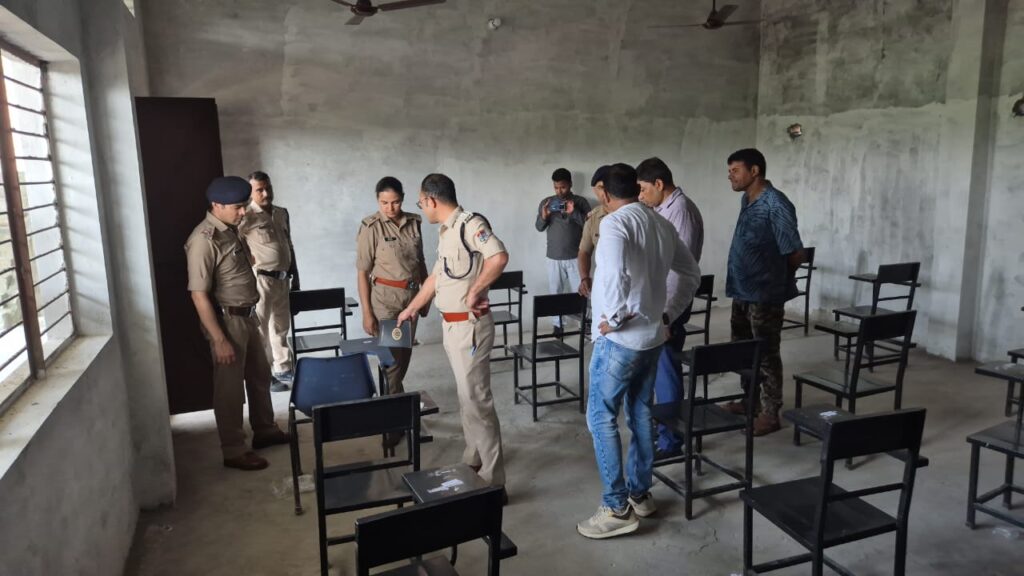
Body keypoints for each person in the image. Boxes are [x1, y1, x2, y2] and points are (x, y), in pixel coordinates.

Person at [577, 164, 701, 539]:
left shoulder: (615, 224)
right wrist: (668, 313)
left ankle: (616, 508)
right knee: (641, 412)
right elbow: (691, 274)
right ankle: (640, 493)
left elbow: (614, 273)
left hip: (620, 341)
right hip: (652, 337)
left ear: (604, 192)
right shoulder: (660, 222)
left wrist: (614, 319)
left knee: (601, 417)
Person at [398, 173, 508, 491]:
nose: (422, 207)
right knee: (465, 396)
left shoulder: (470, 224)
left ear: (431, 200)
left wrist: (476, 290)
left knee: (477, 400)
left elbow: (498, 256)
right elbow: (436, 277)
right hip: (452, 326)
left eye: (421, 202)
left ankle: (494, 481)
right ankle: (474, 457)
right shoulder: (447, 231)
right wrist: (412, 308)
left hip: (469, 328)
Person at [185, 176, 290, 471]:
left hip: (248, 316)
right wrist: (219, 339)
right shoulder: (204, 240)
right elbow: (198, 295)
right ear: (216, 205)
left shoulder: (231, 231)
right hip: (227, 321)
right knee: (230, 389)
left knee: (260, 375)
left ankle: (265, 429)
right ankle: (233, 449)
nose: (243, 212)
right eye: (237, 207)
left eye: (244, 206)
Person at [722, 148, 805, 436]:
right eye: (729, 171)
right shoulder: (747, 199)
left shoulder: (775, 203)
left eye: (735, 170)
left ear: (754, 171)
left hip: (765, 295)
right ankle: (751, 400)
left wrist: (774, 280)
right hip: (741, 292)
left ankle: (770, 413)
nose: (730, 176)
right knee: (743, 351)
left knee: (766, 353)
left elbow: (795, 252)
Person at [636, 157, 705, 460]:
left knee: (666, 369)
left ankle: (671, 440)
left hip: (670, 307)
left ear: (659, 184)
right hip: (659, 304)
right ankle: (661, 426)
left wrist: (666, 316)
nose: (640, 196)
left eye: (643, 189)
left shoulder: (682, 212)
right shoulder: (663, 209)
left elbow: (681, 272)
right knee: (656, 368)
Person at [355, 176, 428, 444]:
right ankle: (392, 423)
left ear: (403, 199)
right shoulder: (370, 227)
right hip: (385, 301)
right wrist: (367, 312)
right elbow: (362, 273)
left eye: (395, 202)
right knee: (392, 363)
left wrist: (426, 296)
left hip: (411, 299)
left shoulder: (414, 222)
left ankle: (396, 410)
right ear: (378, 201)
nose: (390, 208)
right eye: (384, 203)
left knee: (404, 357)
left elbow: (420, 261)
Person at [238, 171, 299, 392]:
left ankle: (283, 368)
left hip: (282, 279)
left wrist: (296, 276)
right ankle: (263, 375)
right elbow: (236, 244)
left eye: (268, 188)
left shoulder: (281, 213)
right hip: (261, 280)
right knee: (260, 330)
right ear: (250, 193)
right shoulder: (246, 216)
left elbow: (289, 246)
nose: (266, 193)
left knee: (281, 326)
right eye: (259, 190)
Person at [536, 167, 591, 333]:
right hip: (553, 256)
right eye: (556, 187)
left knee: (581, 292)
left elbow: (589, 226)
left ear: (570, 184)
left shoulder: (581, 202)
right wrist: (544, 216)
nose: (559, 191)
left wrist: (574, 213)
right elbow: (539, 227)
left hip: (576, 256)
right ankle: (558, 325)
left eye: (563, 187)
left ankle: (583, 323)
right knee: (555, 293)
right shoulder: (546, 203)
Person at [577, 165, 611, 298]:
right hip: (603, 285)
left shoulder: (632, 215)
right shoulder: (594, 217)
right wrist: (585, 277)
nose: (604, 193)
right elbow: (584, 252)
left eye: (607, 187)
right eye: (600, 188)